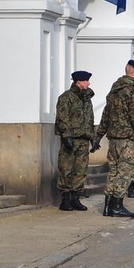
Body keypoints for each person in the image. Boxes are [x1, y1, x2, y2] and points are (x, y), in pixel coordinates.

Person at [92, 60, 134, 218]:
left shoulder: (114, 89)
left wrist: (98, 136)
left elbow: (106, 115)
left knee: (114, 172)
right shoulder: (133, 91)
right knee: (125, 173)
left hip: (114, 139)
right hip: (128, 140)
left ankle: (108, 206)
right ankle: (117, 206)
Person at [55, 70, 95, 211]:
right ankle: (65, 199)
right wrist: (66, 136)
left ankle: (75, 198)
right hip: (71, 139)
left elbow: (90, 120)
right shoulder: (66, 97)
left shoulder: (87, 99)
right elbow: (62, 118)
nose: (89, 83)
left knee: (80, 170)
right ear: (79, 81)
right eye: (87, 81)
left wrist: (93, 138)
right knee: (66, 168)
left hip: (84, 139)